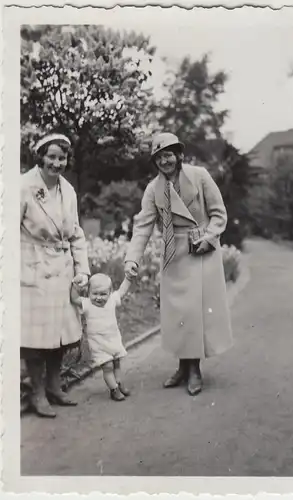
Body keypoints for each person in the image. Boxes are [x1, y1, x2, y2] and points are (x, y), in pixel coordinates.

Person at [124, 132, 233, 396]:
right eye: (159, 157)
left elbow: (219, 214)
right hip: (173, 252)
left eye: (169, 154)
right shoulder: (153, 189)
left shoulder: (199, 176)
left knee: (195, 311)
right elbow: (143, 226)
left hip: (201, 249)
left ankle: (194, 369)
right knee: (178, 314)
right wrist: (132, 258)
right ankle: (183, 367)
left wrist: (210, 237)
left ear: (180, 155)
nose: (165, 161)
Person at [21, 133, 90, 418]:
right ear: (41, 157)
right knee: (37, 338)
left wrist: (82, 269)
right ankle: (37, 393)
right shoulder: (24, 186)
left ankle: (53, 385)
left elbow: (75, 234)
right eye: (51, 157)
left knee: (60, 334)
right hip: (32, 267)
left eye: (62, 158)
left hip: (62, 269)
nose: (57, 163)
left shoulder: (68, 190)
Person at [70, 273, 132, 402]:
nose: (98, 298)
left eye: (103, 294)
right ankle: (113, 389)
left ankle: (119, 383)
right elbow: (74, 298)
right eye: (95, 294)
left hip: (113, 340)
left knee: (116, 363)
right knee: (107, 366)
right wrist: (75, 285)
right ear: (88, 292)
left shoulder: (112, 300)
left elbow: (122, 291)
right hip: (98, 344)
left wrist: (128, 278)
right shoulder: (87, 304)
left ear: (109, 292)